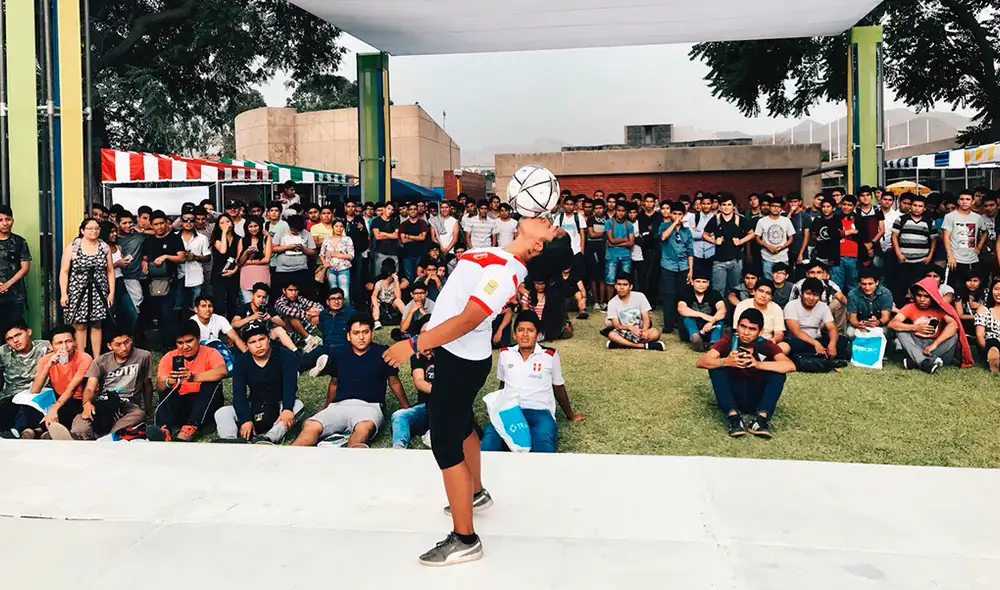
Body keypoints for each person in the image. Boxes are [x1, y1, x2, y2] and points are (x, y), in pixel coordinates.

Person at [380, 215, 560, 567]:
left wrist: (416, 343)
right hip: (455, 354)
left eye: (549, 225)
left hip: (462, 362)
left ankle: (464, 539)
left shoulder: (507, 273)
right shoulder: (496, 252)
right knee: (461, 425)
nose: (545, 219)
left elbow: (469, 319)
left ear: (538, 244)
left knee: (445, 443)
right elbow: (453, 300)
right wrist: (432, 333)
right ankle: (475, 493)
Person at [293, 314, 408, 447]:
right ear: (348, 335)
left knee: (363, 429)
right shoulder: (338, 353)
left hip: (370, 407)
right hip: (339, 405)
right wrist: (326, 407)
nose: (361, 337)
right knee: (311, 426)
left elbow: (394, 382)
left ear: (372, 333)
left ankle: (350, 456)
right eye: (356, 333)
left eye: (365, 332)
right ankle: (288, 462)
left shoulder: (383, 352)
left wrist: (406, 407)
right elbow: (334, 383)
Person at [481, 311, 584, 452]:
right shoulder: (505, 353)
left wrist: (570, 415)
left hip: (540, 412)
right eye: (520, 330)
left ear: (537, 335)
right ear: (514, 334)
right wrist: (498, 407)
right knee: (489, 442)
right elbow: (503, 385)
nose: (525, 334)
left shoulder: (549, 355)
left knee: (543, 444)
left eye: (530, 330)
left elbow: (558, 387)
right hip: (510, 411)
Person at [696, 307, 796, 438]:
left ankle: (761, 420)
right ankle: (734, 419)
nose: (746, 332)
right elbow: (701, 362)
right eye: (743, 327)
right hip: (734, 395)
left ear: (760, 332)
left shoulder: (765, 345)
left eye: (752, 329)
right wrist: (726, 362)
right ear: (737, 326)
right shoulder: (729, 341)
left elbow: (790, 366)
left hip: (757, 397)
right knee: (715, 367)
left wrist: (758, 364)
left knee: (778, 372)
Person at [214, 326, 304, 444]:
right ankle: (230, 441)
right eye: (252, 342)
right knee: (222, 412)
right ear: (246, 345)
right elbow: (239, 393)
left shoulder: (285, 355)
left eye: (261, 339)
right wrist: (245, 419)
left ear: (269, 339)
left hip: (279, 405)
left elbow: (290, 386)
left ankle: (269, 438)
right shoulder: (241, 361)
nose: (258, 345)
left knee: (298, 405)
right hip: (255, 405)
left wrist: (287, 408)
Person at [152, 320, 228, 441]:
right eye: (180, 343)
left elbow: (222, 371)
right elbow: (159, 386)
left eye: (189, 341)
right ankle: (164, 429)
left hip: (204, 406)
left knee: (213, 383)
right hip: (180, 404)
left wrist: (194, 377)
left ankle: (191, 427)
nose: (185, 347)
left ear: (198, 339)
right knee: (166, 389)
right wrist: (168, 382)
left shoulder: (210, 353)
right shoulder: (169, 357)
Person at [71, 331, 152, 440]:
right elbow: (90, 387)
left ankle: (105, 437)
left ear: (132, 339)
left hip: (127, 404)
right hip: (105, 402)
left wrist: (149, 411)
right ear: (110, 346)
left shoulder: (144, 356)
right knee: (83, 420)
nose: (124, 348)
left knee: (139, 415)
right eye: (118, 345)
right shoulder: (101, 361)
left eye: (127, 342)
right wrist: (86, 403)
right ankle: (77, 436)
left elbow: (147, 384)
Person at [888, 277, 970, 373]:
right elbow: (892, 324)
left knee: (953, 335)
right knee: (900, 331)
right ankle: (925, 362)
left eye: (926, 296)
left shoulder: (940, 308)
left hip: (937, 348)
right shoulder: (910, 307)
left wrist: (934, 344)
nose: (922, 299)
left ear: (932, 296)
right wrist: (915, 327)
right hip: (917, 344)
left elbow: (954, 325)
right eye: (919, 295)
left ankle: (916, 361)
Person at [59, 218, 115, 356]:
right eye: (90, 228)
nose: (93, 231)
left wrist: (111, 292)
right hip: (78, 289)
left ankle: (96, 359)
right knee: (79, 325)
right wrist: (63, 293)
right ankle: (81, 357)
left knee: (97, 324)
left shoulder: (104, 246)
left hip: (98, 290)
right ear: (82, 230)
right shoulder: (73, 246)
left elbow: (110, 271)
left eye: (96, 228)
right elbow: (64, 271)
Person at [27, 325, 93, 440]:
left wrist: (55, 408)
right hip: (62, 400)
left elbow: (72, 388)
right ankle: (37, 432)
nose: (64, 347)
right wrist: (48, 366)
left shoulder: (84, 358)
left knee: (72, 414)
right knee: (32, 408)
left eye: (68, 341)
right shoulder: (46, 360)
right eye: (59, 343)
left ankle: (46, 432)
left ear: (75, 342)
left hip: (82, 400)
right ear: (51, 346)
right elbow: (35, 390)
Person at [141, 211, 185, 351]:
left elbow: (182, 257)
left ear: (167, 223)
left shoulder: (174, 239)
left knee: (168, 313)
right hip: (152, 282)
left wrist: (166, 256)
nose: (159, 227)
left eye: (161, 223)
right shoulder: (149, 240)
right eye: (155, 224)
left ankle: (169, 344)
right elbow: (145, 257)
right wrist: (144, 263)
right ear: (151, 226)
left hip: (170, 281)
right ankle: (159, 342)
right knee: (156, 313)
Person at [0, 321, 51, 438]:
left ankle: (24, 431)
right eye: (10, 339)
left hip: (38, 395)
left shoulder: (45, 347)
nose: (15, 341)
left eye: (18, 335)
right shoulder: (4, 352)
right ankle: (29, 431)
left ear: (29, 332)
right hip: (10, 397)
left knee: (31, 409)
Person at [784, 277, 848, 359]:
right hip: (799, 339)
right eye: (808, 294)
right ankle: (821, 355)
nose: (811, 298)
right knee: (794, 344)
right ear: (802, 293)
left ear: (820, 296)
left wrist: (832, 344)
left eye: (815, 295)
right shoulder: (791, 305)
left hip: (817, 338)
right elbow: (796, 332)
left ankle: (817, 354)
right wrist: (816, 344)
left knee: (842, 340)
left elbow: (832, 327)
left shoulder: (823, 306)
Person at [391, 323, 433, 449]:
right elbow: (419, 381)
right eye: (422, 334)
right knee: (399, 416)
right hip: (426, 406)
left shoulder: (452, 356)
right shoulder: (418, 356)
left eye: (430, 332)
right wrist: (438, 391)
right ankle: (398, 448)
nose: (426, 337)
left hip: (449, 406)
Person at [704, 195, 754, 297]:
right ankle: (720, 312)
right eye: (723, 205)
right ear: (720, 207)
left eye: (729, 205)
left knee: (735, 290)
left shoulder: (740, 220)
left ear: (734, 206)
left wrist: (741, 241)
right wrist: (714, 241)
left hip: (736, 260)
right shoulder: (715, 219)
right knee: (718, 290)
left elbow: (752, 233)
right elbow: (704, 234)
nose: (726, 207)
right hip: (719, 261)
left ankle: (733, 312)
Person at [891, 193, 937, 305]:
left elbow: (933, 240)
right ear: (910, 206)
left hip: (921, 261)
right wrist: (898, 254)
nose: (917, 208)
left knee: (917, 288)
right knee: (900, 286)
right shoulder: (901, 219)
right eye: (915, 205)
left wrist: (929, 256)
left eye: (920, 206)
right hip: (903, 260)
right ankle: (900, 310)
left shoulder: (930, 222)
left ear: (925, 208)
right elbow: (894, 236)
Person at [659, 201, 694, 334]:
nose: (677, 216)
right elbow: (663, 237)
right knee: (668, 295)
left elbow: (690, 252)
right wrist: (674, 223)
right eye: (675, 214)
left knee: (682, 295)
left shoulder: (687, 232)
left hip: (683, 266)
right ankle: (668, 324)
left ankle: (681, 323)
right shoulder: (664, 226)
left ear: (684, 215)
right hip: (668, 265)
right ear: (671, 214)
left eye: (680, 214)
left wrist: (690, 270)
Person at [603, 273, 664, 351]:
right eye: (619, 284)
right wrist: (629, 327)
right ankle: (643, 346)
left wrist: (644, 330)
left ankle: (621, 344)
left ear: (630, 286)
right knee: (611, 335)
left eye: (625, 285)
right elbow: (616, 325)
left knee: (655, 333)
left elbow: (646, 317)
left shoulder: (640, 296)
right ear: (615, 286)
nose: (621, 287)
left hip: (640, 329)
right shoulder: (612, 302)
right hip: (624, 331)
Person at [231, 282, 297, 352]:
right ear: (252, 296)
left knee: (279, 330)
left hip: (265, 337)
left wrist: (270, 318)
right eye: (258, 296)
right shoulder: (244, 307)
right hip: (249, 338)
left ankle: (295, 352)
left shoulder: (268, 308)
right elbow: (233, 324)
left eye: (264, 297)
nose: (261, 300)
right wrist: (251, 317)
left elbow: (283, 324)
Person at [942, 188, 987, 288]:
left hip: (972, 258)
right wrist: (950, 256)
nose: (964, 202)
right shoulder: (950, 216)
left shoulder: (977, 217)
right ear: (958, 201)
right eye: (962, 199)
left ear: (973, 201)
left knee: (972, 287)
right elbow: (946, 236)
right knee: (952, 287)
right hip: (955, 259)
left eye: (967, 199)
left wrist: (979, 246)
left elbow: (985, 232)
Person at [732, 279, 787, 352]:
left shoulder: (776, 308)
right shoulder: (742, 306)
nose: (763, 295)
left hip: (767, 342)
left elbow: (779, 333)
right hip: (746, 342)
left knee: (785, 346)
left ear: (771, 297)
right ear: (754, 292)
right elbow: (737, 329)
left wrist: (773, 340)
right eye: (761, 291)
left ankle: (765, 362)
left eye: (768, 293)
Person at [0, 205, 32, 331]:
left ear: (12, 220)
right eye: (0, 220)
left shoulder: (19, 242)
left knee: (14, 330)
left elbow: (25, 267)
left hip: (15, 295)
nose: (4, 223)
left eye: (8, 219)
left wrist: (7, 284)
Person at [678, 271, 727, 351]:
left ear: (708, 283)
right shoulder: (686, 293)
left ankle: (714, 343)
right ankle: (696, 339)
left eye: (704, 282)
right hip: (691, 329)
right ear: (692, 282)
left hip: (710, 328)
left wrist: (711, 321)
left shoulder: (714, 294)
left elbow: (722, 310)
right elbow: (681, 309)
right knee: (687, 317)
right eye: (698, 281)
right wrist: (703, 315)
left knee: (719, 320)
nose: (701, 285)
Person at [272, 214, 317, 301]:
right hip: (283, 271)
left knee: (303, 296)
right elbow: (273, 248)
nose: (295, 232)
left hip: (301, 270)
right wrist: (288, 247)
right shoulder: (281, 232)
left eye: (298, 231)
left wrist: (303, 249)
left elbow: (313, 252)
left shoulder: (307, 234)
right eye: (293, 230)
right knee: (280, 296)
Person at [273, 281, 323, 351]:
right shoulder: (280, 302)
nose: (293, 293)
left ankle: (314, 339)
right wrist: (308, 313)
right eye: (290, 290)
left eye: (295, 290)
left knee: (315, 313)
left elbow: (319, 307)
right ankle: (309, 339)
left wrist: (314, 313)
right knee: (292, 316)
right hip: (288, 333)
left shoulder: (299, 299)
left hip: (302, 328)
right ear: (284, 290)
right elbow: (289, 312)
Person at [755, 196, 796, 280]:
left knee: (782, 281)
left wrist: (782, 247)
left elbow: (791, 238)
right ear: (769, 207)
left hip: (783, 257)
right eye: (773, 206)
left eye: (778, 207)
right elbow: (757, 238)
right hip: (767, 257)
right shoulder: (762, 221)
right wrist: (767, 246)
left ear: (781, 209)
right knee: (768, 281)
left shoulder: (786, 220)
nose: (776, 209)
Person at [846, 269, 894, 339]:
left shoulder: (885, 293)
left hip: (880, 323)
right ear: (859, 283)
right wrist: (859, 324)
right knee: (850, 333)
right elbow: (852, 318)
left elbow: (885, 317)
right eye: (864, 284)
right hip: (860, 323)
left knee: (885, 332)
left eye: (870, 284)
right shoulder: (852, 294)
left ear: (877, 282)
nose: (867, 288)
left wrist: (878, 322)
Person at [210, 213, 241, 319]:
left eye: (228, 221)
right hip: (219, 274)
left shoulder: (238, 239)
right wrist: (224, 232)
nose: (225, 224)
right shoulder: (216, 239)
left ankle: (231, 327)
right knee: (219, 304)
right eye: (222, 223)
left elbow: (240, 258)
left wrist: (235, 270)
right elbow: (223, 250)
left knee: (232, 302)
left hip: (234, 273)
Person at [237, 217, 272, 304]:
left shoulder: (266, 238)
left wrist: (248, 262)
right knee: (248, 305)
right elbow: (239, 262)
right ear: (246, 228)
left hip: (262, 276)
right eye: (250, 226)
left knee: (262, 306)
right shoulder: (242, 240)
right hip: (247, 277)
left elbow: (267, 259)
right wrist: (246, 252)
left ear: (260, 226)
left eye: (255, 226)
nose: (253, 229)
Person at [604, 202, 635, 294]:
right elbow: (611, 240)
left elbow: (631, 242)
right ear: (615, 211)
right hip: (612, 255)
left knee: (626, 281)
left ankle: (624, 303)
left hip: (625, 255)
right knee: (610, 279)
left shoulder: (629, 224)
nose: (620, 213)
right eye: (618, 210)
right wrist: (625, 239)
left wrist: (615, 244)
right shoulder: (609, 222)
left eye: (623, 211)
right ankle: (610, 303)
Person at [319, 218, 355, 297]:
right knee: (333, 293)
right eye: (336, 226)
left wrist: (337, 255)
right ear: (333, 227)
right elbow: (321, 254)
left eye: (341, 226)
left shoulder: (347, 239)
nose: (339, 228)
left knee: (345, 294)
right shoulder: (327, 239)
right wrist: (325, 263)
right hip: (331, 270)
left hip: (343, 269)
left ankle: (346, 309)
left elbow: (351, 255)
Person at [586, 199, 609, 310]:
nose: (598, 210)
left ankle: (602, 301)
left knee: (603, 276)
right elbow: (591, 234)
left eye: (600, 208)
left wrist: (603, 234)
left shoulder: (608, 219)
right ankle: (595, 301)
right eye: (596, 208)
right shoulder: (590, 219)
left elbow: (610, 234)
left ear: (604, 209)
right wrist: (605, 233)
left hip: (605, 249)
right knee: (594, 276)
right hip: (592, 249)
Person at [399, 202, 430, 282]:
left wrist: (409, 236)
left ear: (417, 211)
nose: (413, 211)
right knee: (409, 278)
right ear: (408, 211)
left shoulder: (422, 223)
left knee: (419, 277)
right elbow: (403, 240)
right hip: (407, 255)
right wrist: (417, 237)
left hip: (420, 254)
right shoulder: (403, 224)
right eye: (411, 209)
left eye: (415, 209)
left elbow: (423, 237)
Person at [974, 278, 1000, 372]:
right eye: (996, 289)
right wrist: (986, 351)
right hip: (988, 344)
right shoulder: (984, 310)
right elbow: (979, 335)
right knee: (993, 343)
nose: (998, 293)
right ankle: (993, 358)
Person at [371, 202, 401, 275]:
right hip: (380, 252)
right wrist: (391, 235)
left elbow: (396, 236)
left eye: (392, 210)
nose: (390, 211)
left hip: (393, 252)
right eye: (389, 209)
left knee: (394, 275)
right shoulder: (376, 221)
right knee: (378, 275)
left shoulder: (395, 221)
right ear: (384, 209)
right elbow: (377, 237)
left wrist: (383, 233)